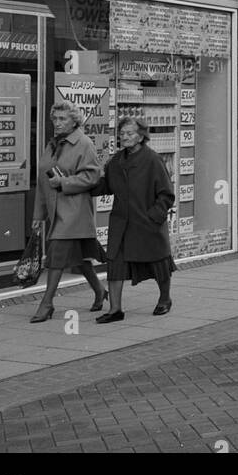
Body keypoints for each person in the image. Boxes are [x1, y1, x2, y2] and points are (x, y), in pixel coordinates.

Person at [29, 102, 107, 323]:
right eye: (55, 118)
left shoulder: (84, 143)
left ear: (75, 121)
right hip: (56, 211)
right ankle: (100, 291)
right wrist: (38, 215)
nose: (57, 122)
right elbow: (43, 182)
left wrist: (63, 182)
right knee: (79, 258)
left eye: (63, 119)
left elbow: (92, 176)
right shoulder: (52, 144)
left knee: (56, 256)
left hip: (74, 211)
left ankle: (47, 303)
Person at [94, 118, 176, 322]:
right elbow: (105, 188)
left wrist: (154, 217)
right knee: (115, 265)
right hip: (121, 224)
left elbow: (166, 195)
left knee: (159, 264)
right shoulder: (116, 161)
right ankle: (115, 310)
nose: (124, 137)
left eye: (129, 133)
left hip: (146, 223)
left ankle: (165, 299)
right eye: (121, 133)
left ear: (141, 136)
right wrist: (91, 179)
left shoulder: (152, 160)